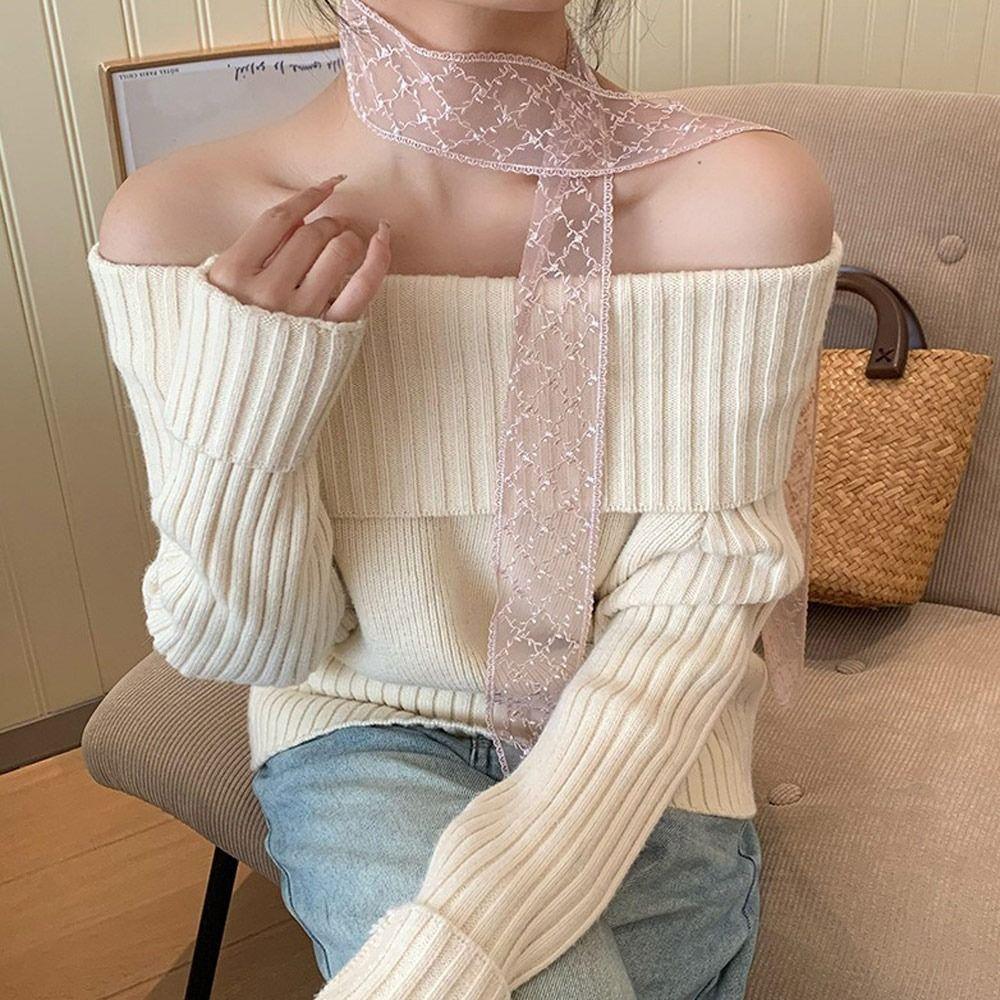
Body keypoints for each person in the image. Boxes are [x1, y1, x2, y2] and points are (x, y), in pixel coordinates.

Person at [88, 1, 841, 997]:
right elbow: (248, 647)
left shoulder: (743, 197)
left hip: (652, 747)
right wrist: (253, 401)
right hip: (358, 731)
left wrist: (453, 945)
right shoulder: (181, 221)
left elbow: (698, 597)